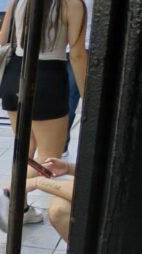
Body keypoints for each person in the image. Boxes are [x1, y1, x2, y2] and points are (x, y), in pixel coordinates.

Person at [0, 0, 88, 232]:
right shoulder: (72, 4)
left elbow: (3, 41)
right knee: (49, 159)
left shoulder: (19, 1)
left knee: (24, 149)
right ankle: (8, 193)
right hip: (47, 79)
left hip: (13, 75)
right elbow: (78, 54)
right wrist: (89, 97)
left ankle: (20, 210)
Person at [65, 0, 93, 154]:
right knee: (75, 98)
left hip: (72, 48)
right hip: (82, 48)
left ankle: (62, 143)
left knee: (69, 98)